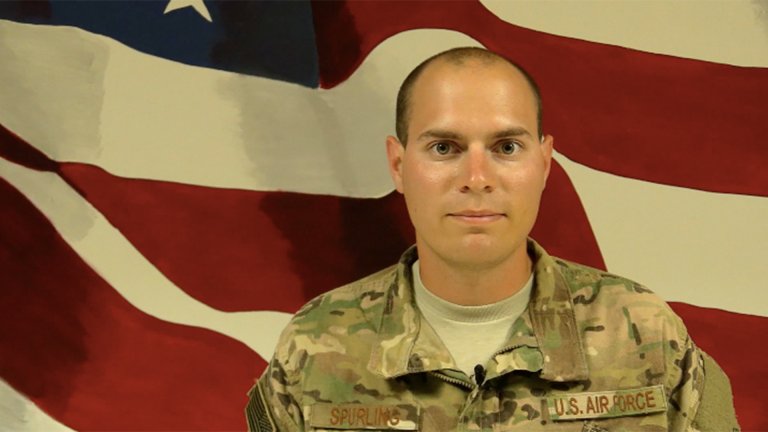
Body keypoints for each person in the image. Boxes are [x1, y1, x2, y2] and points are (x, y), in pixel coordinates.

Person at [245, 47, 739, 431]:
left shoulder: (643, 336)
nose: (477, 178)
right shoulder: (315, 347)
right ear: (398, 165)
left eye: (506, 147)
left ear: (544, 163)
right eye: (445, 147)